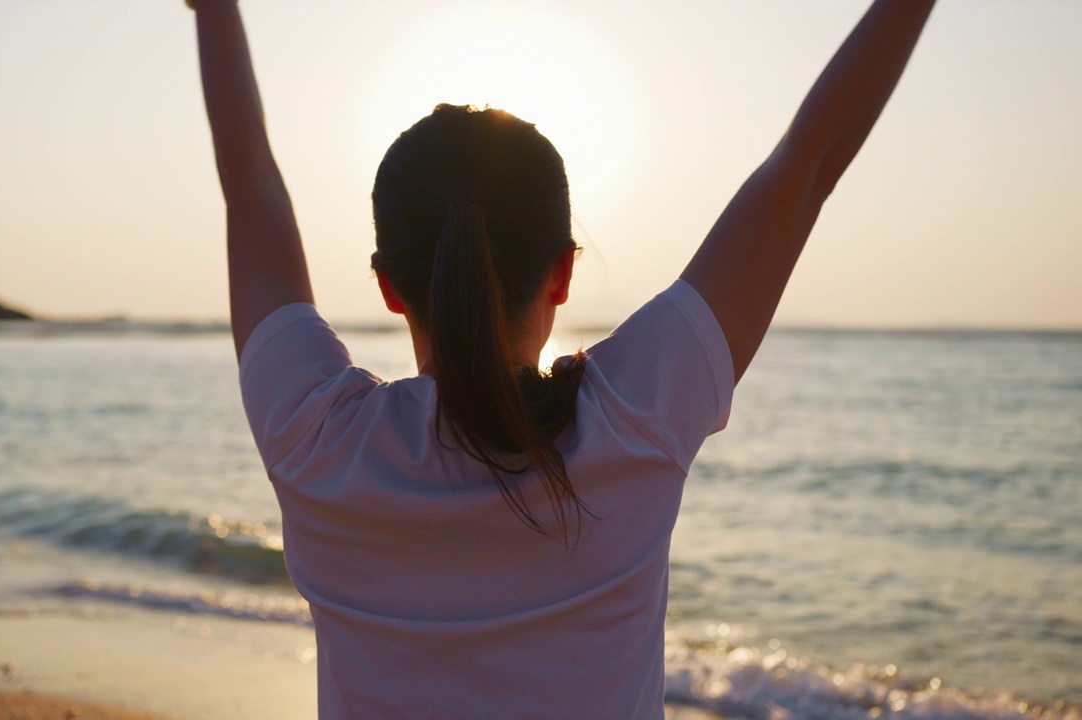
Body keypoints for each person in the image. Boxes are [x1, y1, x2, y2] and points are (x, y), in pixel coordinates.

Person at [192, 1, 936, 717]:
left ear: (388, 285)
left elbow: (249, 185)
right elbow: (807, 165)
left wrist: (215, 8)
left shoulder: (317, 443)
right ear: (562, 274)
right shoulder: (632, 418)